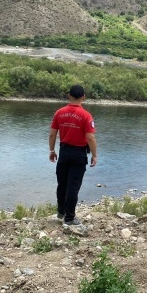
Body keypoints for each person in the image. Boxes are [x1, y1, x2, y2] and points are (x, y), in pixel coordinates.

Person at [49, 85, 97, 227]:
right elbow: (90, 137)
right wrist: (94, 155)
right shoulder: (86, 115)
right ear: (84, 97)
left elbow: (52, 134)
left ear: (69, 96)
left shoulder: (59, 112)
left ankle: (61, 212)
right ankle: (69, 218)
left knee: (62, 184)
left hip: (63, 152)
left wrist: (52, 150)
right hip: (78, 153)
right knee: (73, 187)